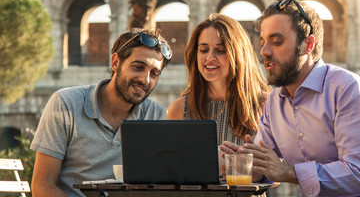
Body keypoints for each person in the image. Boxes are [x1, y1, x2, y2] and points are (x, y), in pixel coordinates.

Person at [221, 0, 360, 196]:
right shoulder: (274, 102)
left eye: (277, 42)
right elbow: (265, 167)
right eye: (262, 42)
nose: (264, 51)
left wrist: (287, 171)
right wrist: (244, 162)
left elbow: (356, 173)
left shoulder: (346, 89)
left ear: (308, 44)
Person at [30, 28, 172, 197]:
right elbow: (42, 186)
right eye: (138, 67)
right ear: (115, 63)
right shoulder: (65, 103)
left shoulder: (156, 116)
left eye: (154, 73)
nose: (145, 79)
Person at [168, 13, 270, 146]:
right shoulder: (179, 109)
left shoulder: (266, 105)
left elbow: (281, 163)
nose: (210, 57)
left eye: (220, 50)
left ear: (238, 54)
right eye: (204, 50)